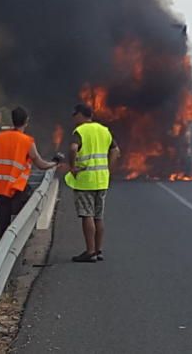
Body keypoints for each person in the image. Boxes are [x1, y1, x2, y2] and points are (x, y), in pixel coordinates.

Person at [0, 106, 60, 239]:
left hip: (1, 187)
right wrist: (54, 163)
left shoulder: (0, 138)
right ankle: (20, 239)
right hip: (18, 187)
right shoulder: (27, 141)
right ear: (26, 121)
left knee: (2, 220)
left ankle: (1, 246)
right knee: (24, 214)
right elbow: (40, 164)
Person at [65, 103, 120, 263]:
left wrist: (72, 167)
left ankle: (90, 252)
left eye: (75, 115)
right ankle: (98, 249)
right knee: (98, 216)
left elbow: (73, 149)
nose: (74, 118)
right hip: (102, 180)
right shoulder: (104, 130)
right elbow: (116, 150)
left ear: (81, 115)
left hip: (85, 180)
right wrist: (108, 168)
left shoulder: (80, 131)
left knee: (87, 214)